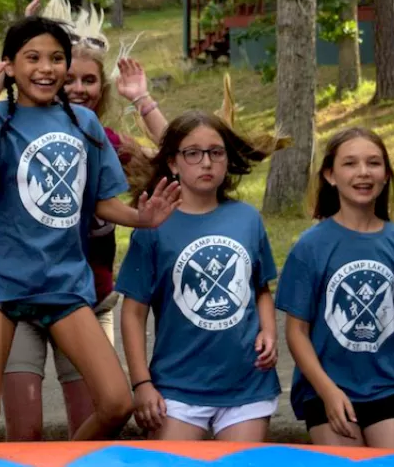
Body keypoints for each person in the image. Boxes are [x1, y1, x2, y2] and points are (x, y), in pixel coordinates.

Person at [0, 16, 180, 442]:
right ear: (9, 66)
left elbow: (100, 200)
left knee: (117, 404)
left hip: (61, 280)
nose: (46, 68)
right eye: (33, 58)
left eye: (56, 58)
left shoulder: (83, 123)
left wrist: (142, 218)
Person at [116, 111, 279, 442]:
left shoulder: (248, 219)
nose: (206, 162)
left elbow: (260, 288)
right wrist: (142, 383)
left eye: (216, 152)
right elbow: (133, 313)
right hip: (177, 389)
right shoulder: (152, 226)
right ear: (173, 163)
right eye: (193, 153)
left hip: (247, 385)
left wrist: (270, 332)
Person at [279, 127, 394, 449]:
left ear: (386, 174)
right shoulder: (310, 246)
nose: (363, 172)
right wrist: (328, 392)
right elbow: (296, 332)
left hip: (388, 385)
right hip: (327, 387)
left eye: (374, 163)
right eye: (350, 163)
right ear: (330, 175)